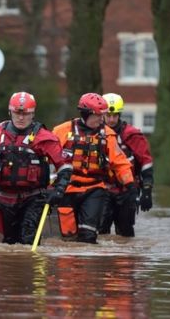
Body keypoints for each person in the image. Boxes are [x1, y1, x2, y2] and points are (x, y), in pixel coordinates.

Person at [0, 92, 72, 245]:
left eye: (25, 114)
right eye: (17, 113)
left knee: (28, 239)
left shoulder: (44, 137)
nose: (21, 118)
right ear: (10, 112)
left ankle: (31, 267)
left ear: (32, 114)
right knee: (9, 243)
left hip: (33, 197)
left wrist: (58, 190)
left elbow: (64, 166)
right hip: (5, 198)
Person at [52, 93, 136, 244]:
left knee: (88, 236)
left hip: (94, 189)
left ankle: (87, 265)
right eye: (99, 115)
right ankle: (69, 266)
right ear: (86, 114)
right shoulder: (61, 131)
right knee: (68, 236)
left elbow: (120, 163)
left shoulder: (107, 134)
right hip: (67, 189)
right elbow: (48, 158)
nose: (101, 119)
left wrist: (130, 185)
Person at [99, 93, 154, 237]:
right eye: (108, 115)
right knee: (99, 232)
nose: (111, 119)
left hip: (127, 190)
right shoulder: (95, 134)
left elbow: (146, 163)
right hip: (101, 189)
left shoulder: (131, 135)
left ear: (119, 115)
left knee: (125, 233)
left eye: (115, 115)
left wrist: (147, 190)